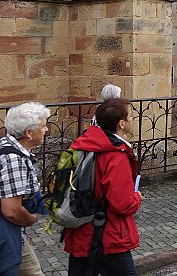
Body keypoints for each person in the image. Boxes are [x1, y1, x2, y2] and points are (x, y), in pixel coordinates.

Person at [65, 98, 142, 275]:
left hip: (81, 231)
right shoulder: (115, 155)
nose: (132, 119)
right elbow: (122, 203)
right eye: (130, 116)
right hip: (108, 235)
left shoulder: (85, 144)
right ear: (121, 123)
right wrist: (137, 198)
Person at [0, 102, 49, 276]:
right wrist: (30, 219)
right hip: (1, 231)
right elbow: (11, 211)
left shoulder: (6, 143)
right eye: (43, 126)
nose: (46, 130)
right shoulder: (13, 159)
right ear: (29, 133)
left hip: (9, 231)